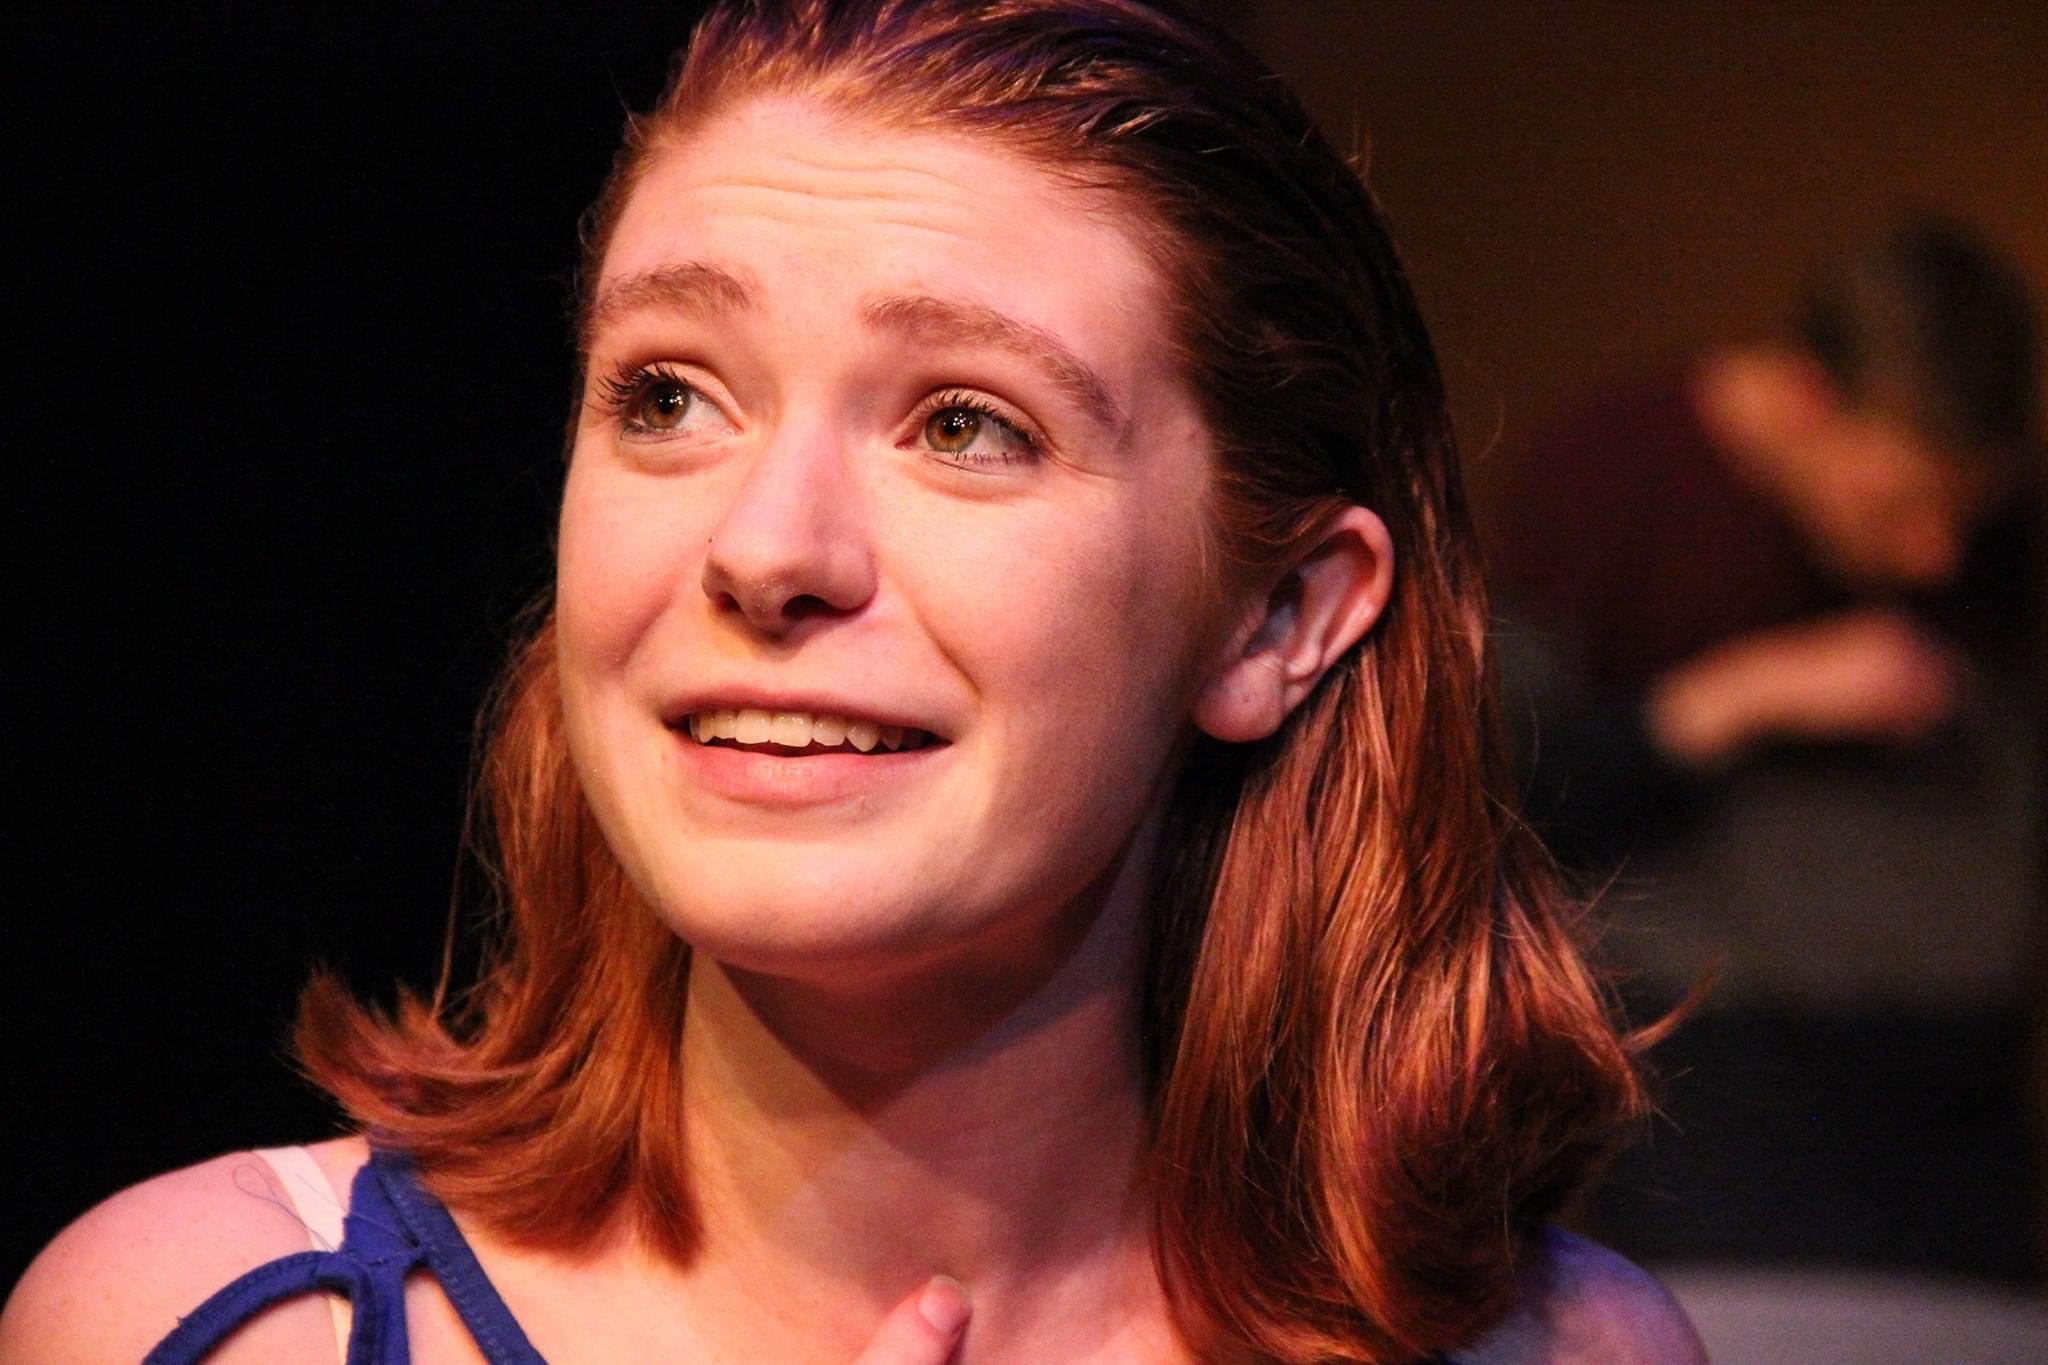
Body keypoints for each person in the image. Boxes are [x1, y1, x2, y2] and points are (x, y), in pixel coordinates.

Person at [0, 2, 1704, 1361]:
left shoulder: (1567, 1352)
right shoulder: (216, 1324)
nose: (767, 548)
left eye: (964, 423)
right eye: (670, 396)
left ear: (1277, 619)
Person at [1490, 223, 2043, 1279]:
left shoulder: (1997, 544)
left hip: (1956, 1112)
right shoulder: (1604, 477)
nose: (1936, 558)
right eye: (1898, 506)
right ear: (1802, 400)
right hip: (1709, 1095)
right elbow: (1511, 795)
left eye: (1963, 515)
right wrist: (1736, 700)